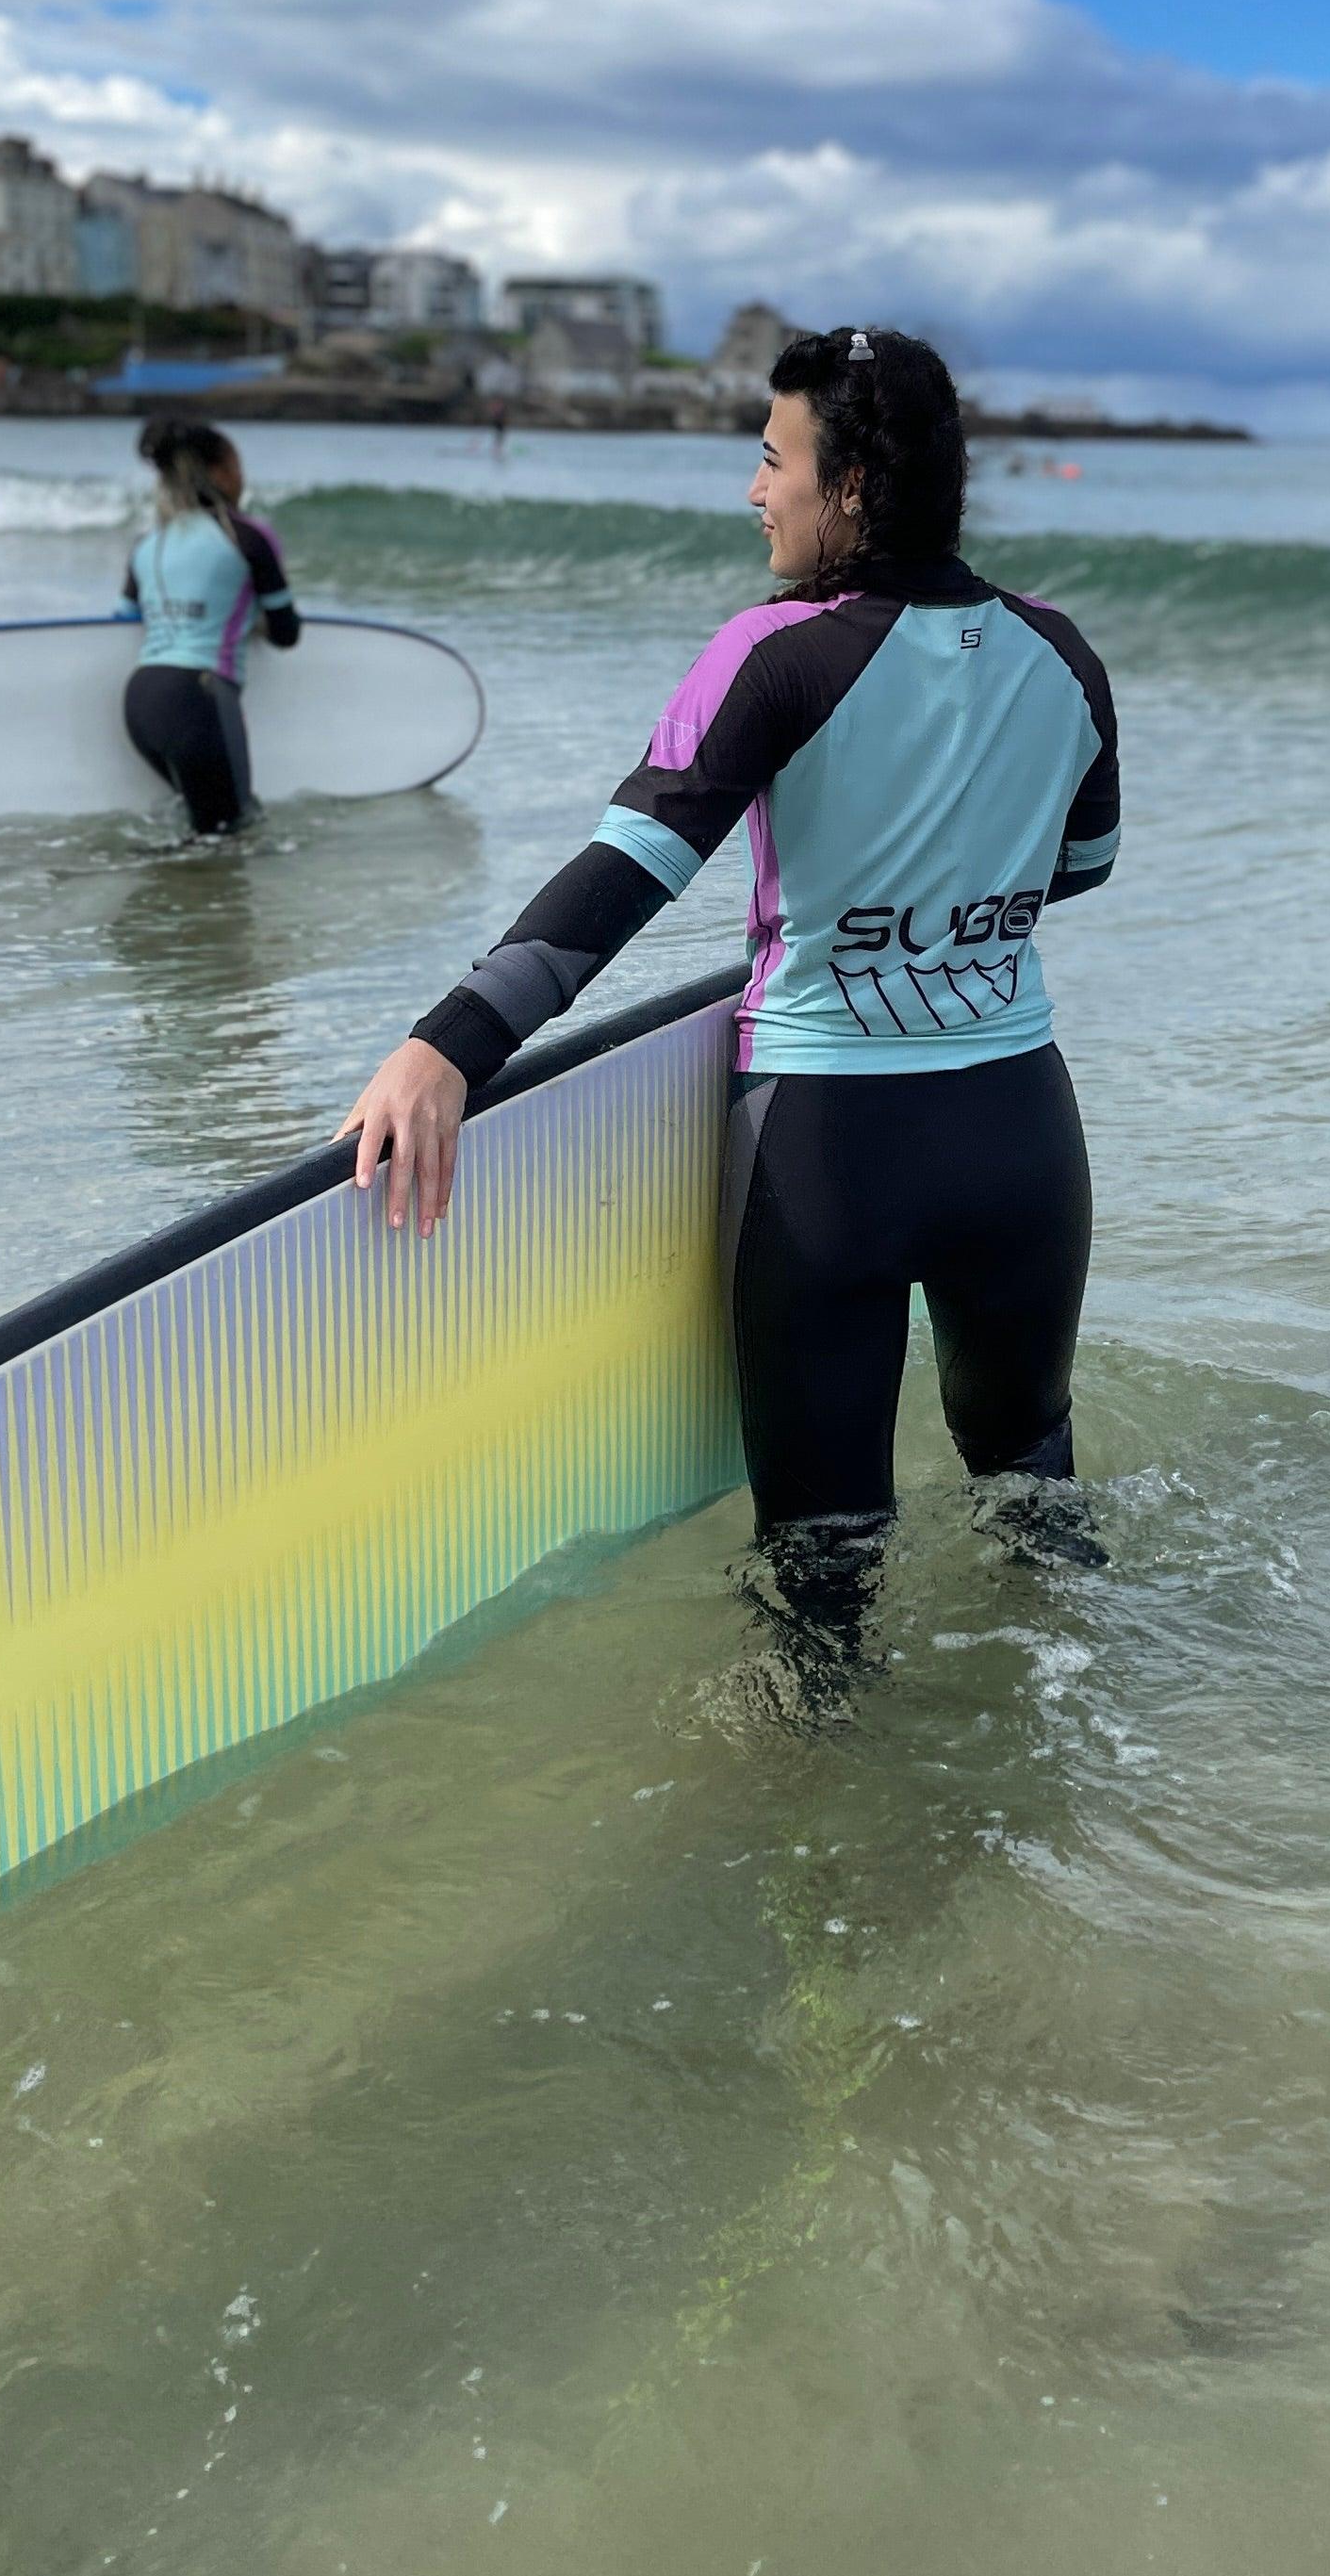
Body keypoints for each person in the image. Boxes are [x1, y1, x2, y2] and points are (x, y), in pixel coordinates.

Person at [338, 325, 1121, 1662]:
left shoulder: (774, 655)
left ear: (853, 485)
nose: (755, 492)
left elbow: (625, 874)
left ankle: (819, 1850)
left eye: (773, 461)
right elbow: (1082, 867)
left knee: (822, 1578)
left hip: (830, 1156)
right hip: (1020, 1139)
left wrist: (445, 1047)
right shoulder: (1064, 657)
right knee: (1038, 1508)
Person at [117, 417, 300, 836]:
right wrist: (250, 622)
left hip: (140, 700)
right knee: (229, 837)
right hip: (199, 699)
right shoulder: (248, 537)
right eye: (237, 466)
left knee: (202, 833)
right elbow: (288, 632)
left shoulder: (148, 543)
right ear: (218, 472)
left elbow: (125, 618)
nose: (243, 477)